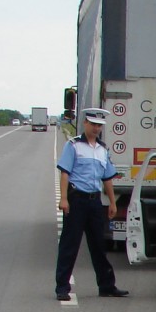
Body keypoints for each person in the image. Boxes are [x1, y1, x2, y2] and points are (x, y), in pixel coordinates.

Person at [54, 108, 129, 300]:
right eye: (93, 124)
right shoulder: (73, 146)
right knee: (70, 245)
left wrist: (112, 202)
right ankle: (62, 287)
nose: (96, 128)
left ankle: (106, 286)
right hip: (76, 200)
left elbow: (107, 179)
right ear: (85, 124)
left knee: (99, 245)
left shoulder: (103, 150)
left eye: (99, 126)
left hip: (95, 201)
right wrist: (64, 198)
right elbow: (65, 173)